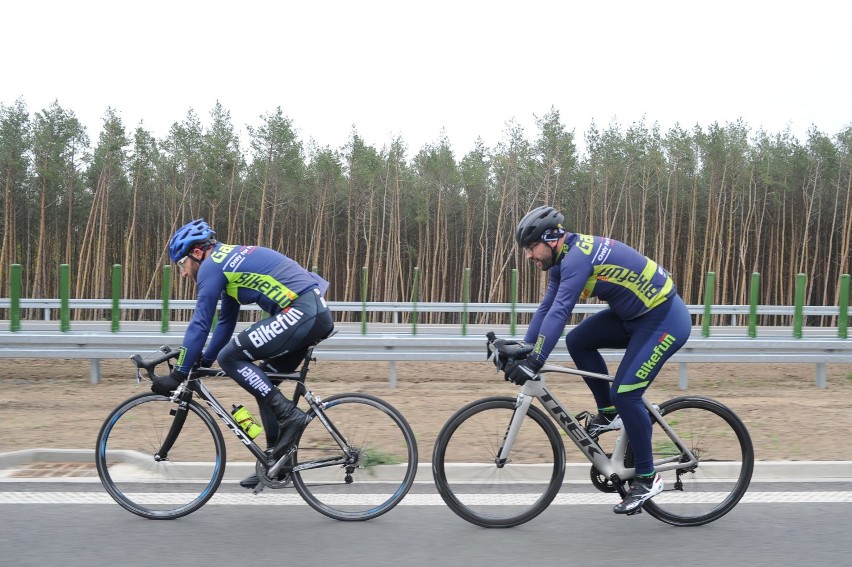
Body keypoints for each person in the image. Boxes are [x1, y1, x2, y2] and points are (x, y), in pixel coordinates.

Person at [506, 205, 692, 514]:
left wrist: (536, 360)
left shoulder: (577, 259)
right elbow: (546, 309)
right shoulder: (561, 261)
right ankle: (608, 414)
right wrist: (525, 350)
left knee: (626, 393)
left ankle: (647, 477)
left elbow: (561, 311)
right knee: (578, 341)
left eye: (530, 247)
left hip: (664, 320)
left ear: (551, 239)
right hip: (633, 316)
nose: (528, 256)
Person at [151, 219, 335, 489]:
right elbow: (225, 322)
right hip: (309, 312)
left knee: (231, 357)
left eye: (182, 264)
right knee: (263, 382)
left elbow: (201, 323)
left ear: (197, 254)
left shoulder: (212, 268)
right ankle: (276, 461)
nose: (183, 273)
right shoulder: (227, 264)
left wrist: (179, 373)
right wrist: (204, 358)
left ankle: (292, 417)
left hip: (302, 312)